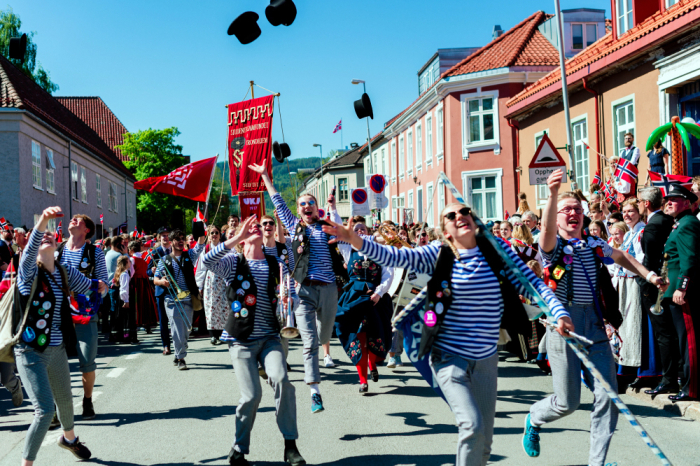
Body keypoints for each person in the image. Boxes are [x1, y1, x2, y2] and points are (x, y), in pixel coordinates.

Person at [322, 202, 569, 466]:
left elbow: (532, 285)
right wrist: (355, 240)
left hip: (486, 358)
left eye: (465, 212)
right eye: (450, 215)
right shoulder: (438, 253)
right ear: (446, 230)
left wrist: (559, 312)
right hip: (448, 357)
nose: (459, 216)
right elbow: (395, 257)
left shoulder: (496, 252)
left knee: (484, 441)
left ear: (474, 221)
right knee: (472, 426)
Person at [522, 169, 667, 466]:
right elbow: (547, 231)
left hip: (594, 324)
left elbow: (622, 257)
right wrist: (551, 195)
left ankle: (596, 463)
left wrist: (650, 275)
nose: (573, 213)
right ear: (557, 216)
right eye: (566, 210)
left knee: (609, 397)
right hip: (564, 324)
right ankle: (535, 419)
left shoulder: (592, 243)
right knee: (568, 402)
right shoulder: (551, 248)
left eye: (577, 209)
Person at [203, 216, 305, 466]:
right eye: (251, 227)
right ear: (241, 235)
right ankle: (238, 448)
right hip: (241, 339)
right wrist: (235, 238)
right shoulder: (232, 263)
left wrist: (290, 300)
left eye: (258, 225)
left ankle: (290, 445)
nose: (257, 228)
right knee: (251, 396)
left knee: (282, 380)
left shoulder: (275, 263)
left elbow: (291, 293)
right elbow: (206, 260)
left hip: (271, 336)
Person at [251, 161, 349, 414]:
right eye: (302, 204)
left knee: (325, 335)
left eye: (310, 203)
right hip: (304, 290)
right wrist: (266, 178)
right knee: (310, 342)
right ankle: (315, 392)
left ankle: (323, 342)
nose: (307, 206)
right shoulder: (295, 226)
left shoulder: (328, 227)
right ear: (299, 210)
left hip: (328, 289)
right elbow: (279, 204)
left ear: (317, 208)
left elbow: (348, 237)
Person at [14, 206, 107, 465]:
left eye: (49, 236)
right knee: (44, 411)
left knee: (66, 401)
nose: (46, 237)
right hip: (30, 349)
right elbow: (32, 247)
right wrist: (43, 220)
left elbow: (93, 285)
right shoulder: (28, 271)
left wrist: (102, 285)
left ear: (57, 245)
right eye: (40, 235)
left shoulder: (64, 272)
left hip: (56, 348)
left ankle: (69, 439)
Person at [330, 210, 393, 394]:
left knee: (377, 335)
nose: (359, 232)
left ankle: (372, 364)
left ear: (369, 232)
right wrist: (333, 209)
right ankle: (363, 380)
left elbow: (389, 275)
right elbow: (339, 228)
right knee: (357, 337)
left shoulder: (380, 251)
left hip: (375, 299)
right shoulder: (348, 250)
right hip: (354, 299)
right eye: (356, 230)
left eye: (363, 229)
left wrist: (379, 293)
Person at [55, 214, 108, 421]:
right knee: (52, 360)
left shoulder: (95, 253)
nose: (73, 220)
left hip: (85, 312)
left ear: (87, 230)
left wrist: (102, 286)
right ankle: (51, 408)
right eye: (72, 218)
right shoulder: (57, 250)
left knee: (87, 360)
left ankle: (87, 399)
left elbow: (104, 281)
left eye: (79, 220)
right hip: (58, 313)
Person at [636, 187, 678, 398]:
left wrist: (648, 283)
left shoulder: (654, 225)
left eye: (638, 201)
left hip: (657, 286)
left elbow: (650, 260)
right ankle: (673, 376)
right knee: (669, 333)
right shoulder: (667, 221)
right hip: (669, 283)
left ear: (646, 203)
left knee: (663, 334)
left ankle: (669, 379)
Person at [659, 183, 700, 401]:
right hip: (673, 289)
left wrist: (681, 287)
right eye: (667, 199)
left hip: (683, 291)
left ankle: (692, 388)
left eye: (674, 199)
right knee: (683, 340)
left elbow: (689, 259)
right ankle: (687, 384)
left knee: (689, 341)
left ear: (687, 202)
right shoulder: (680, 223)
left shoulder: (687, 224)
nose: (669, 202)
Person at [615, 200, 659, 389]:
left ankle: (638, 369)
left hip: (635, 282)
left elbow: (641, 261)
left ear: (639, 213)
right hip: (624, 282)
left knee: (634, 325)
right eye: (624, 211)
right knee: (625, 325)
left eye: (631, 211)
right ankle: (626, 367)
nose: (627, 215)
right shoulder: (629, 234)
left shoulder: (641, 232)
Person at [153, 229, 206, 370]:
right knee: (177, 330)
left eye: (183, 238)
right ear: (172, 242)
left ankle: (178, 351)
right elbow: (155, 279)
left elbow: (200, 245)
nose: (181, 241)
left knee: (187, 330)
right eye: (178, 239)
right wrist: (162, 282)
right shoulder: (164, 260)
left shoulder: (189, 256)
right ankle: (181, 358)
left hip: (188, 299)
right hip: (171, 300)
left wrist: (200, 228)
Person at [195, 225, 228, 345]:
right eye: (212, 233)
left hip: (224, 280)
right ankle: (213, 335)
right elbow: (200, 269)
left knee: (224, 307)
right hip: (211, 280)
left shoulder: (225, 247)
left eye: (216, 233)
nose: (214, 235)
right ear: (208, 236)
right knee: (211, 307)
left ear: (220, 235)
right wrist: (200, 286)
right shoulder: (206, 249)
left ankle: (223, 333)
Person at [149, 228, 172, 355]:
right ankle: (166, 346)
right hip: (161, 289)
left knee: (175, 318)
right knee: (163, 320)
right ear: (159, 238)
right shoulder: (155, 252)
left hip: (174, 288)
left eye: (168, 235)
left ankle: (178, 343)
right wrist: (151, 270)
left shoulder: (175, 250)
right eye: (163, 236)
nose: (166, 238)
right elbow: (147, 271)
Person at [128, 240, 157, 337]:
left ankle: (135, 325)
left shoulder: (132, 259)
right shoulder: (144, 260)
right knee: (146, 304)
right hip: (145, 283)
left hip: (136, 283)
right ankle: (147, 326)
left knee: (136, 304)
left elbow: (131, 273)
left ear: (131, 250)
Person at [104, 236, 125, 342]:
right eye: (122, 243)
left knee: (112, 311)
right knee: (116, 312)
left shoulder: (108, 253)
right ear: (118, 244)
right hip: (116, 285)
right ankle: (116, 335)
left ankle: (113, 334)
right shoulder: (118, 255)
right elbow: (126, 267)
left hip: (110, 285)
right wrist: (125, 253)